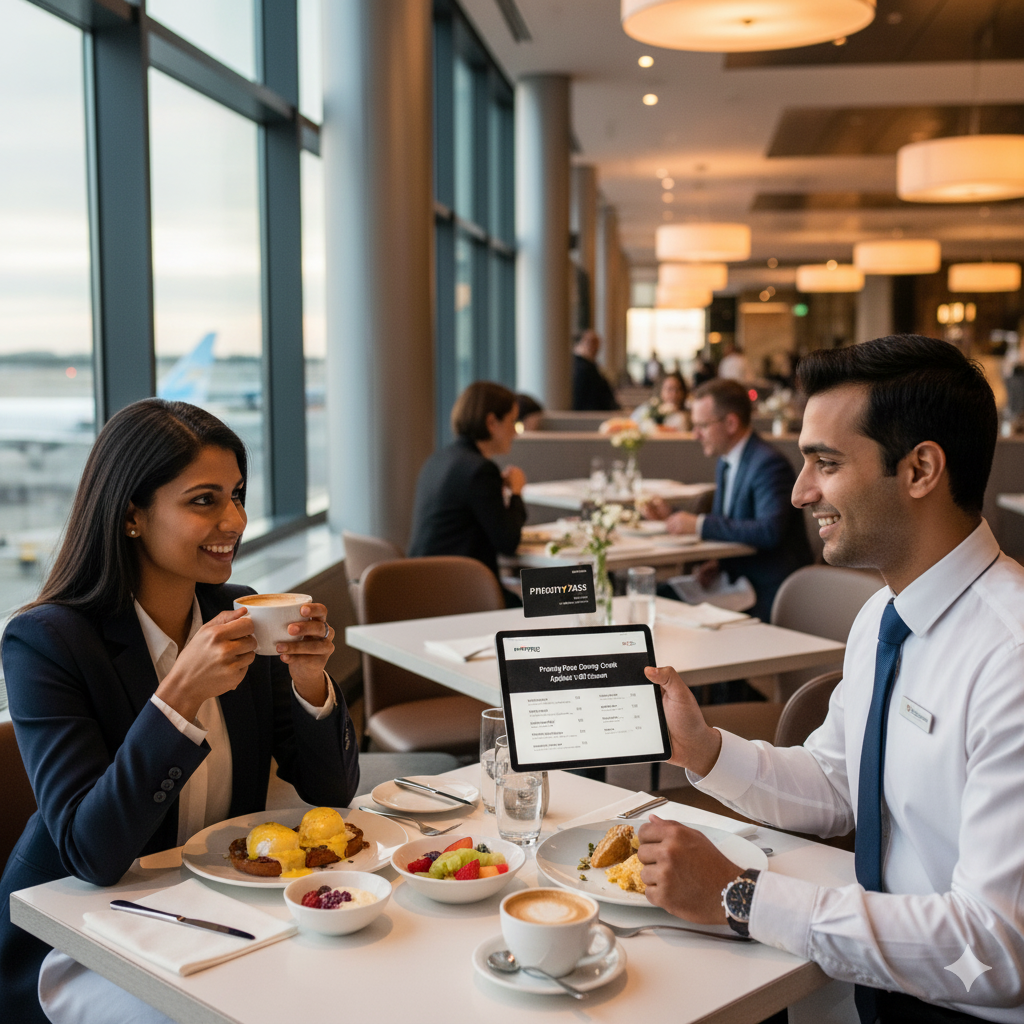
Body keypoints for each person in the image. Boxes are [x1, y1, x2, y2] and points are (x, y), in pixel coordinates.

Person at [637, 335, 1024, 1023]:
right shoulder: (883, 616)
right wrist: (706, 751)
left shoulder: (1011, 655)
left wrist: (744, 896)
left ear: (921, 469)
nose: (798, 491)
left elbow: (997, 950)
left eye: (826, 463)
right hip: (866, 984)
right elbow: (840, 782)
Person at [0, 399, 360, 1024]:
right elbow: (92, 852)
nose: (236, 519)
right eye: (205, 500)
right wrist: (177, 698)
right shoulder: (46, 641)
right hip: (86, 928)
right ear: (133, 515)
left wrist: (309, 682)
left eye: (238, 495)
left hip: (217, 907)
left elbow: (331, 789)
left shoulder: (241, 610)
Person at [646, 378, 812, 623]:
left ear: (731, 423)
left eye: (702, 425)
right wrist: (718, 562)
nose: (695, 435)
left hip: (768, 587)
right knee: (658, 593)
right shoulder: (726, 461)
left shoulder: (767, 464)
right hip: (736, 575)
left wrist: (700, 525)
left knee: (661, 600)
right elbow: (731, 523)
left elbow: (769, 531)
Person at [408, 381, 527, 606]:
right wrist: (517, 493)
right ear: (492, 422)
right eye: (512, 421)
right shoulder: (480, 470)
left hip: (421, 586)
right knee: (538, 605)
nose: (515, 432)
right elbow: (508, 541)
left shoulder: (440, 459)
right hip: (458, 593)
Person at [572, 330, 619, 411]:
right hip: (589, 417)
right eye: (589, 343)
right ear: (579, 344)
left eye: (596, 344)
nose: (594, 348)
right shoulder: (581, 368)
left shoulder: (592, 366)